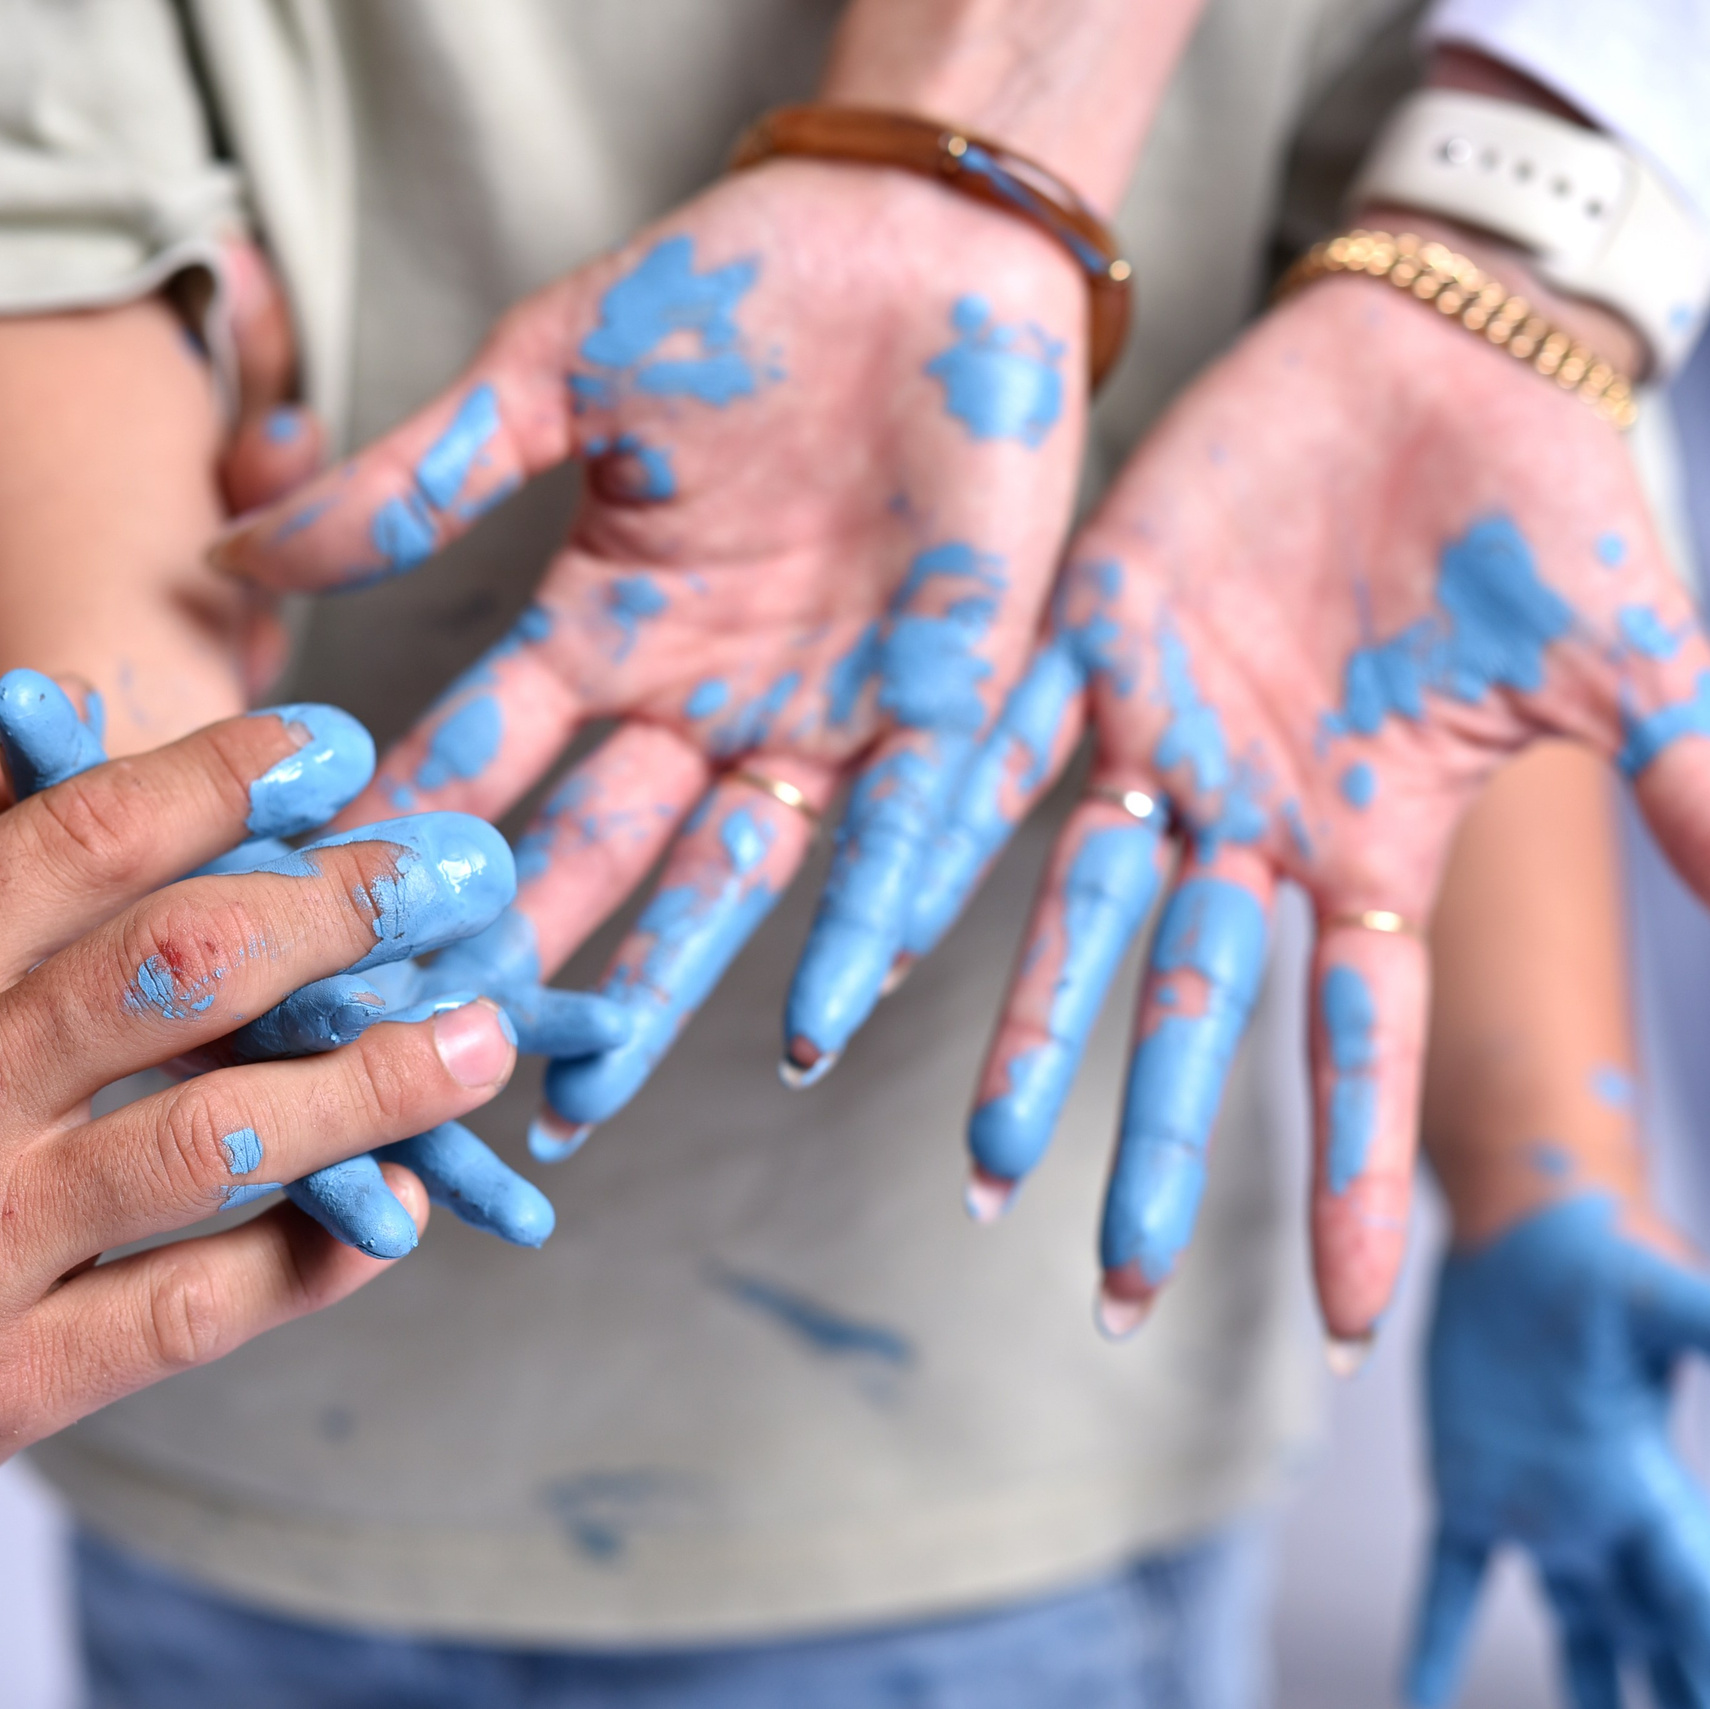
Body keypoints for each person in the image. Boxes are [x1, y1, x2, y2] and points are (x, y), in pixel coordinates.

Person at [4, 3, 1710, 1706]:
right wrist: (188, 885)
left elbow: (1410, 585)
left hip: (976, 1462)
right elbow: (58, 281)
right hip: (247, 1384)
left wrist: (1542, 1162)